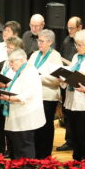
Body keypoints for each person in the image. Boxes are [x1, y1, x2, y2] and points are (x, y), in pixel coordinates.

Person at [0, 49, 45, 159]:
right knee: (16, 145)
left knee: (24, 145)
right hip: (17, 115)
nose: (10, 64)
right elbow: (18, 86)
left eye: (12, 61)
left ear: (22, 60)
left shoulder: (30, 72)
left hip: (26, 116)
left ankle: (26, 168)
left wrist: (9, 98)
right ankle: (17, 167)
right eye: (9, 61)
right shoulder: (21, 71)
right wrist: (5, 87)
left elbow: (28, 94)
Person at [59, 29, 85, 164]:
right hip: (71, 98)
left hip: (83, 100)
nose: (77, 47)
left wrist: (81, 75)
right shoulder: (76, 56)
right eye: (76, 44)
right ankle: (76, 160)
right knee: (73, 131)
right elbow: (71, 71)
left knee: (82, 132)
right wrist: (64, 77)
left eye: (80, 45)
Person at [27, 29, 63, 159]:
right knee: (35, 126)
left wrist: (38, 76)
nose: (39, 43)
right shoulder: (35, 55)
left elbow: (56, 79)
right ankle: (35, 155)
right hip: (34, 96)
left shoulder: (55, 56)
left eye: (42, 41)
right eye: (38, 40)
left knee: (46, 126)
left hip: (48, 96)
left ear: (50, 42)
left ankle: (45, 155)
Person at [57, 16, 83, 152]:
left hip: (79, 84)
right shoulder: (67, 41)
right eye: (68, 28)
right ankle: (69, 140)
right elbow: (61, 58)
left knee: (78, 115)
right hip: (66, 81)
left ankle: (78, 141)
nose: (69, 31)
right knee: (66, 112)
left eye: (72, 28)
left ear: (80, 27)